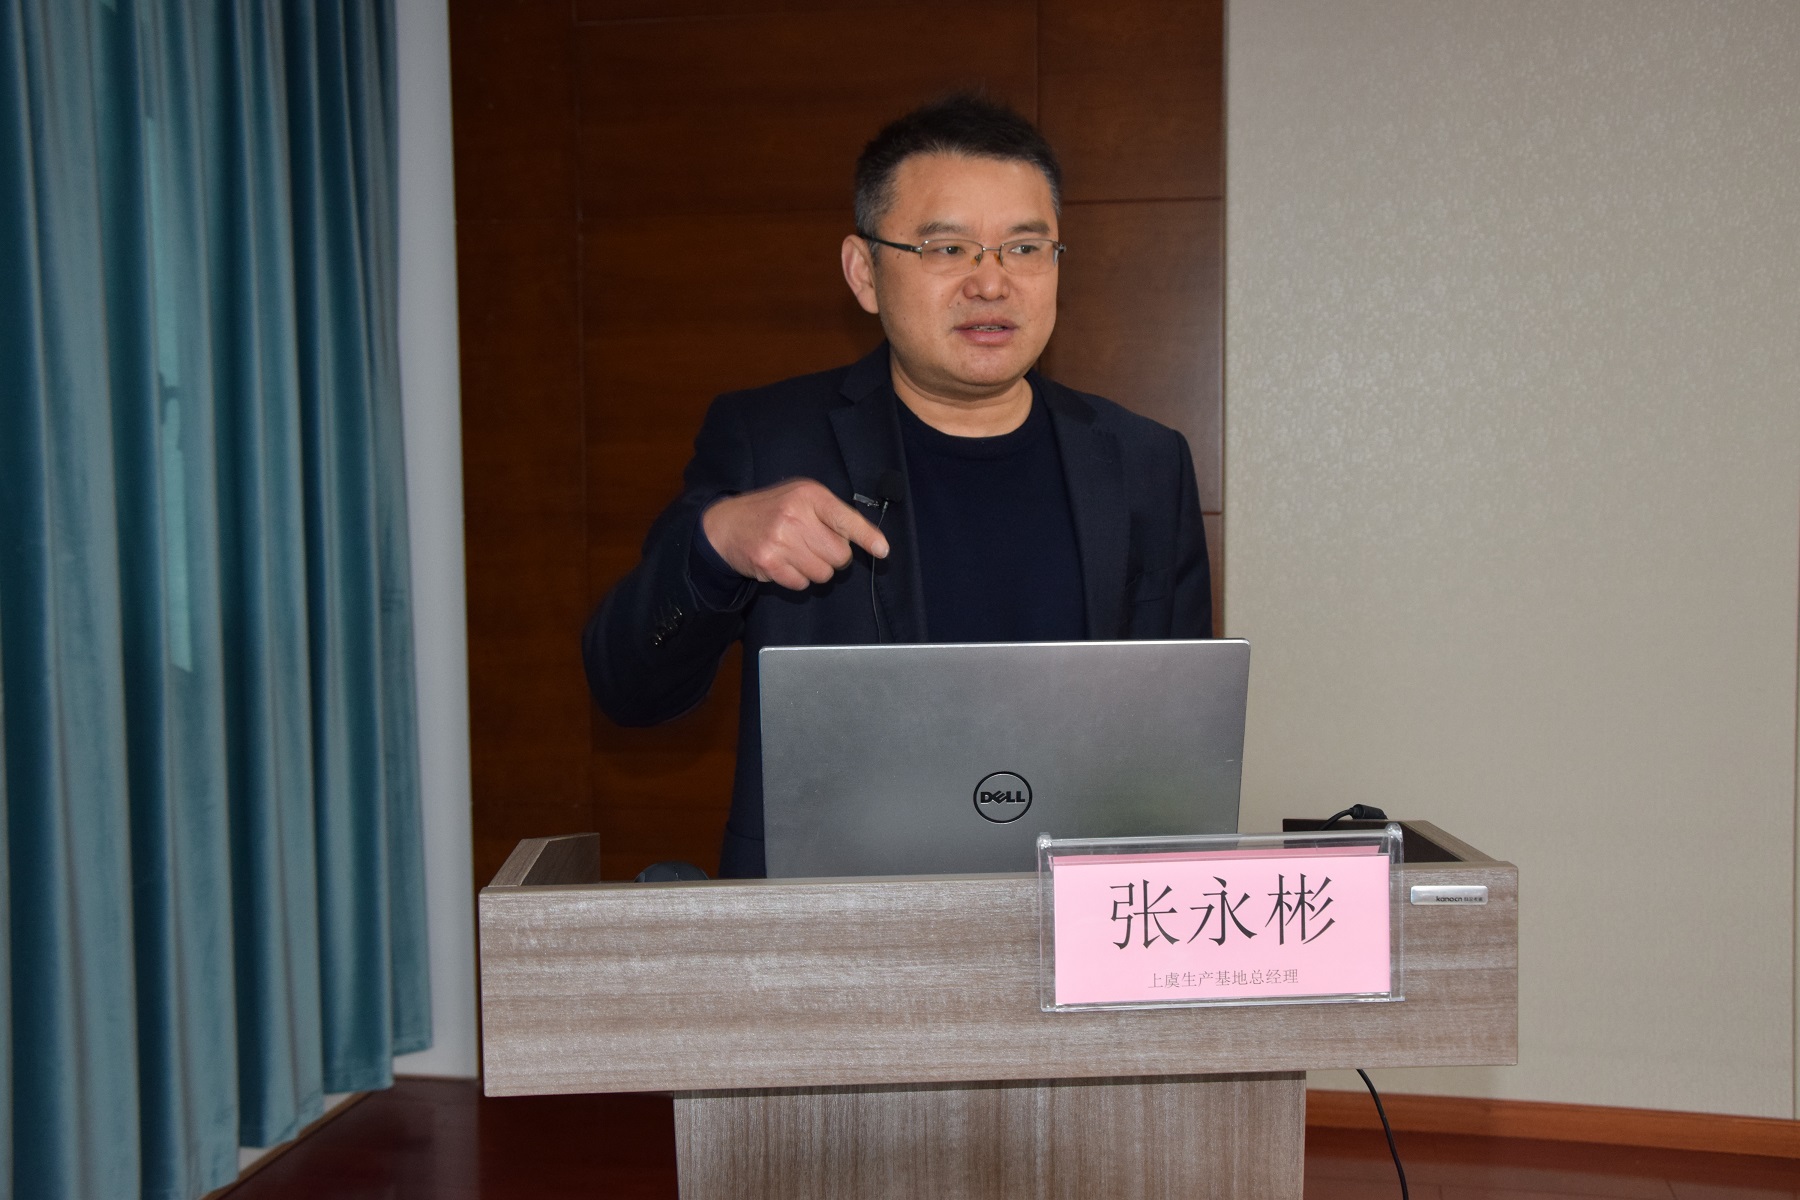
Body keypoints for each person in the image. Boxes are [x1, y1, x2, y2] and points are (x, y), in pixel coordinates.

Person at [582, 94, 1212, 877]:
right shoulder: (771, 441)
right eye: (948, 249)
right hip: (834, 921)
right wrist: (714, 547)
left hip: (1076, 920)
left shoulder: (1144, 463)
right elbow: (627, 690)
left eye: (1025, 248)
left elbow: (1178, 749)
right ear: (865, 272)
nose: (992, 283)